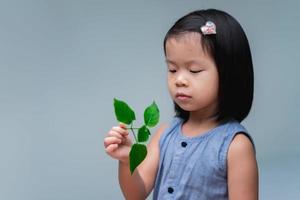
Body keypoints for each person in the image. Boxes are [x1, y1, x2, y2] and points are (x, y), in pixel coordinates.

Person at [104, 8, 258, 200]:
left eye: (194, 70)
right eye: (172, 69)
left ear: (229, 74)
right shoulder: (165, 134)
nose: (180, 80)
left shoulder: (235, 146)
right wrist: (127, 161)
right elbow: (135, 194)